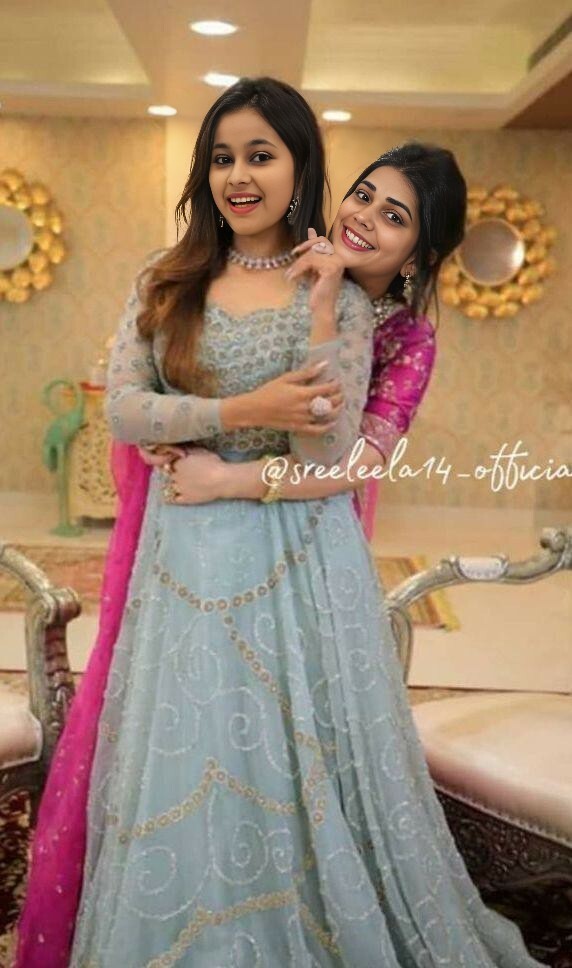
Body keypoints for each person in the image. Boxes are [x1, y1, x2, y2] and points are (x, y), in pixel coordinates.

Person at [15, 78, 545, 967]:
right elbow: (127, 411)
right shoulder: (166, 276)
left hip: (296, 551)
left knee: (297, 756)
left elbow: (338, 454)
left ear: (299, 166)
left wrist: (239, 448)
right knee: (185, 748)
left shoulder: (365, 312)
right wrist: (232, 415)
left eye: (260, 155)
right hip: (182, 551)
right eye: (223, 156)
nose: (238, 175)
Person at [150, 142, 463, 541]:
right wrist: (160, 431)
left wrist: (226, 480)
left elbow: (358, 464)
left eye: (393, 217)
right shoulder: (271, 265)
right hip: (195, 488)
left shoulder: (407, 338)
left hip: (305, 514)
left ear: (418, 258)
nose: (364, 217)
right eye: (363, 196)